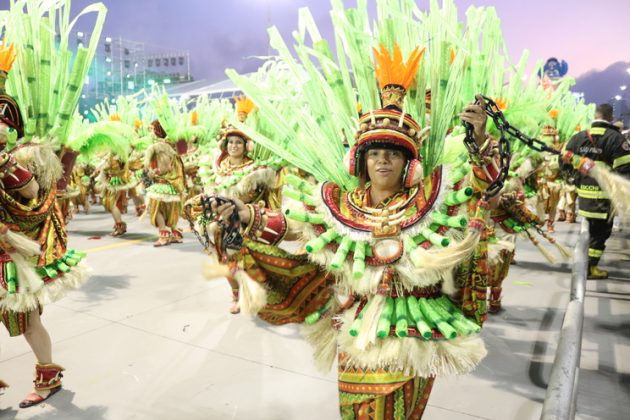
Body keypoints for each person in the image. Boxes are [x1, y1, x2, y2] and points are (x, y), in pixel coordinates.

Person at [562, 104, 630, 279]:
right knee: (600, 233)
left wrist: (574, 178)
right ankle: (591, 267)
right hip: (605, 198)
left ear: (595, 116)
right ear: (610, 116)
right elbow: (625, 169)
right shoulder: (615, 139)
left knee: (589, 230)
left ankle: (585, 264)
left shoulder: (579, 137)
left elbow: (563, 160)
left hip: (584, 195)